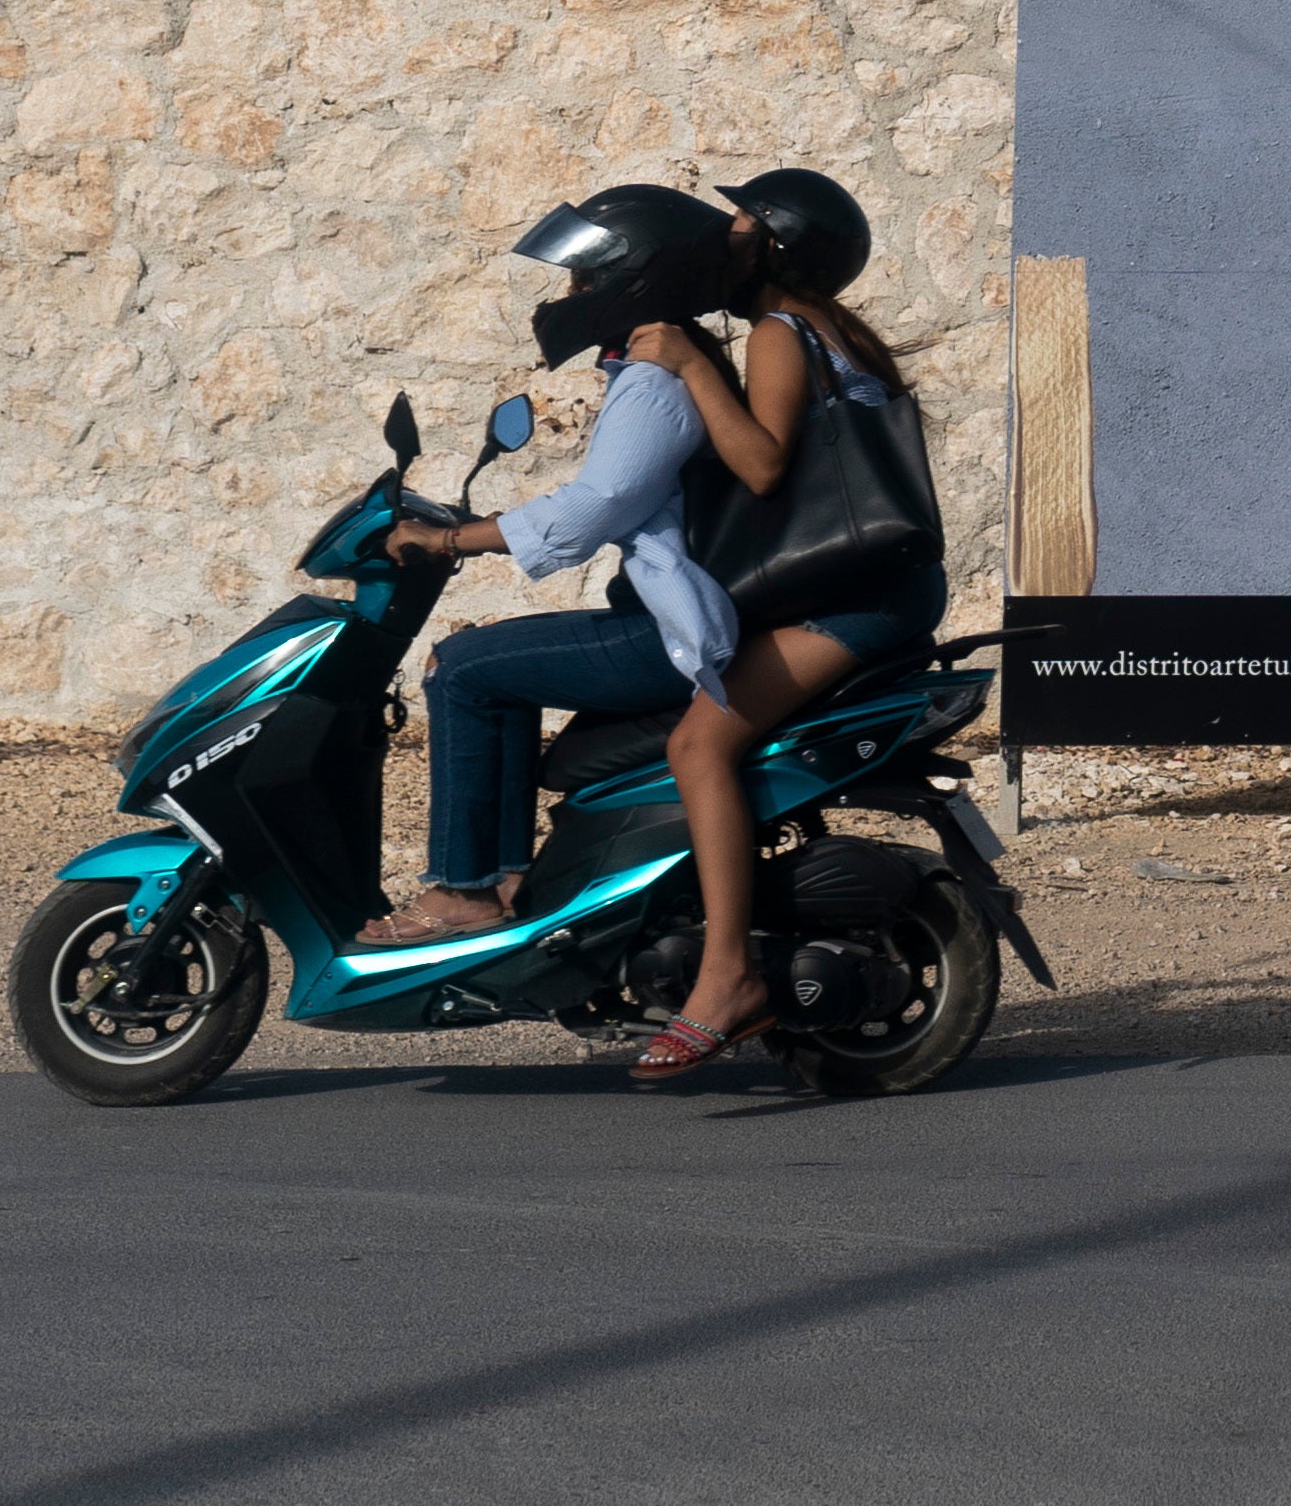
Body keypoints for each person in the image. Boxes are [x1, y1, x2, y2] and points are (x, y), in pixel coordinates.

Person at [622, 164, 948, 1090]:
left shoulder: (779, 331)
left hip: (853, 598)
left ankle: (726, 974)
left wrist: (689, 364)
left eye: (736, 224)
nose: (720, 238)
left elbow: (763, 466)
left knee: (699, 744)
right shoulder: (834, 331)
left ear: (773, 242)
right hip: (882, 583)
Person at [359, 183, 754, 946]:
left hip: (668, 629)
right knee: (485, 660)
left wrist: (447, 539)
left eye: (582, 277)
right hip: (663, 612)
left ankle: (461, 889)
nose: (570, 295)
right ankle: (509, 877)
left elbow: (590, 508)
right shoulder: (661, 372)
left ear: (631, 277)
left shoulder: (655, 385)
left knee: (460, 669)